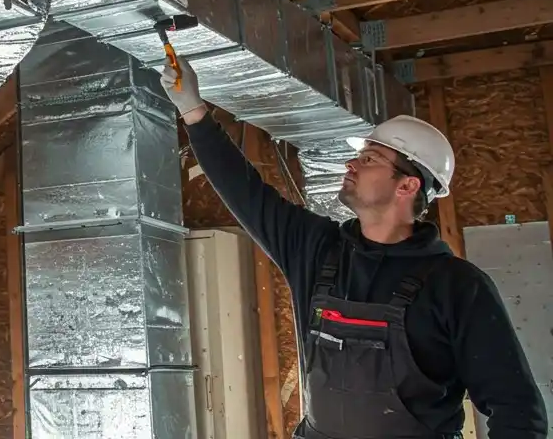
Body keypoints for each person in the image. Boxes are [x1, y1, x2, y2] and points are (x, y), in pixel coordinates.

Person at [162, 54, 546, 439]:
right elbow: (245, 193)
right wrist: (193, 110)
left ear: (407, 186)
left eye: (369, 158)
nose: (350, 164)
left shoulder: (457, 286)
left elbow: (517, 412)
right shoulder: (317, 249)